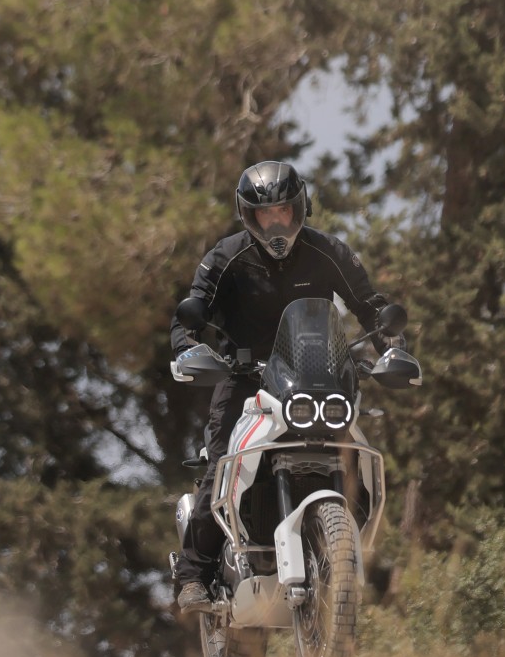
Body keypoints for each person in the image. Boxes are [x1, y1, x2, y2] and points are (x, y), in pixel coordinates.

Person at [168, 160, 396, 613]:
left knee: (357, 452)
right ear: (248, 216)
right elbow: (189, 316)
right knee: (222, 464)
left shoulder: (328, 252)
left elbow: (371, 307)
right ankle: (194, 574)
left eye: (283, 212)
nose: (275, 223)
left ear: (300, 208)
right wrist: (188, 348)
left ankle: (355, 555)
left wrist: (392, 346)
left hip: (316, 380)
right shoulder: (225, 257)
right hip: (244, 381)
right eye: (264, 214)